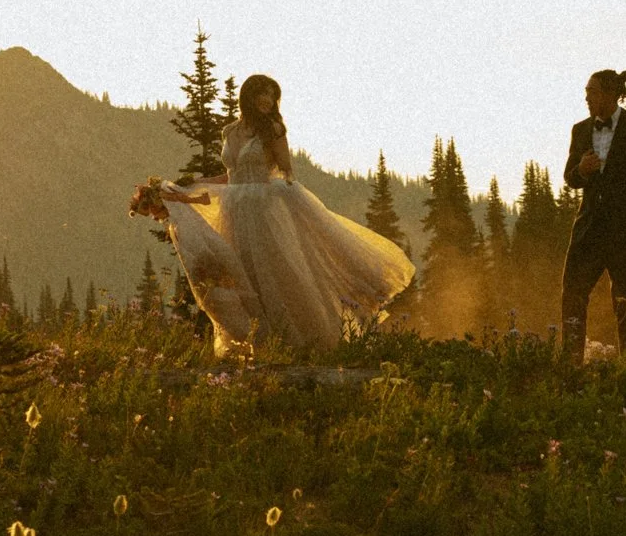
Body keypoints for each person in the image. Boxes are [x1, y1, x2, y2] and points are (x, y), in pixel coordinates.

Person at [130, 75, 413, 357]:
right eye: (262, 93)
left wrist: (287, 194)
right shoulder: (230, 131)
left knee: (279, 273)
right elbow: (231, 176)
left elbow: (285, 170)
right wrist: (194, 184)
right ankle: (261, 343)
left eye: (272, 94)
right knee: (244, 275)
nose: (267, 99)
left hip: (264, 210)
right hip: (235, 210)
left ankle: (304, 342)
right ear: (248, 96)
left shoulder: (273, 130)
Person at [559, 68, 626, 363]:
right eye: (586, 92)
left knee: (625, 301)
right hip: (588, 231)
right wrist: (582, 170)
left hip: (625, 232)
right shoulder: (580, 130)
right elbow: (570, 177)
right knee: (573, 294)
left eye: (591, 92)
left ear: (609, 94)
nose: (586, 98)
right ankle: (570, 364)